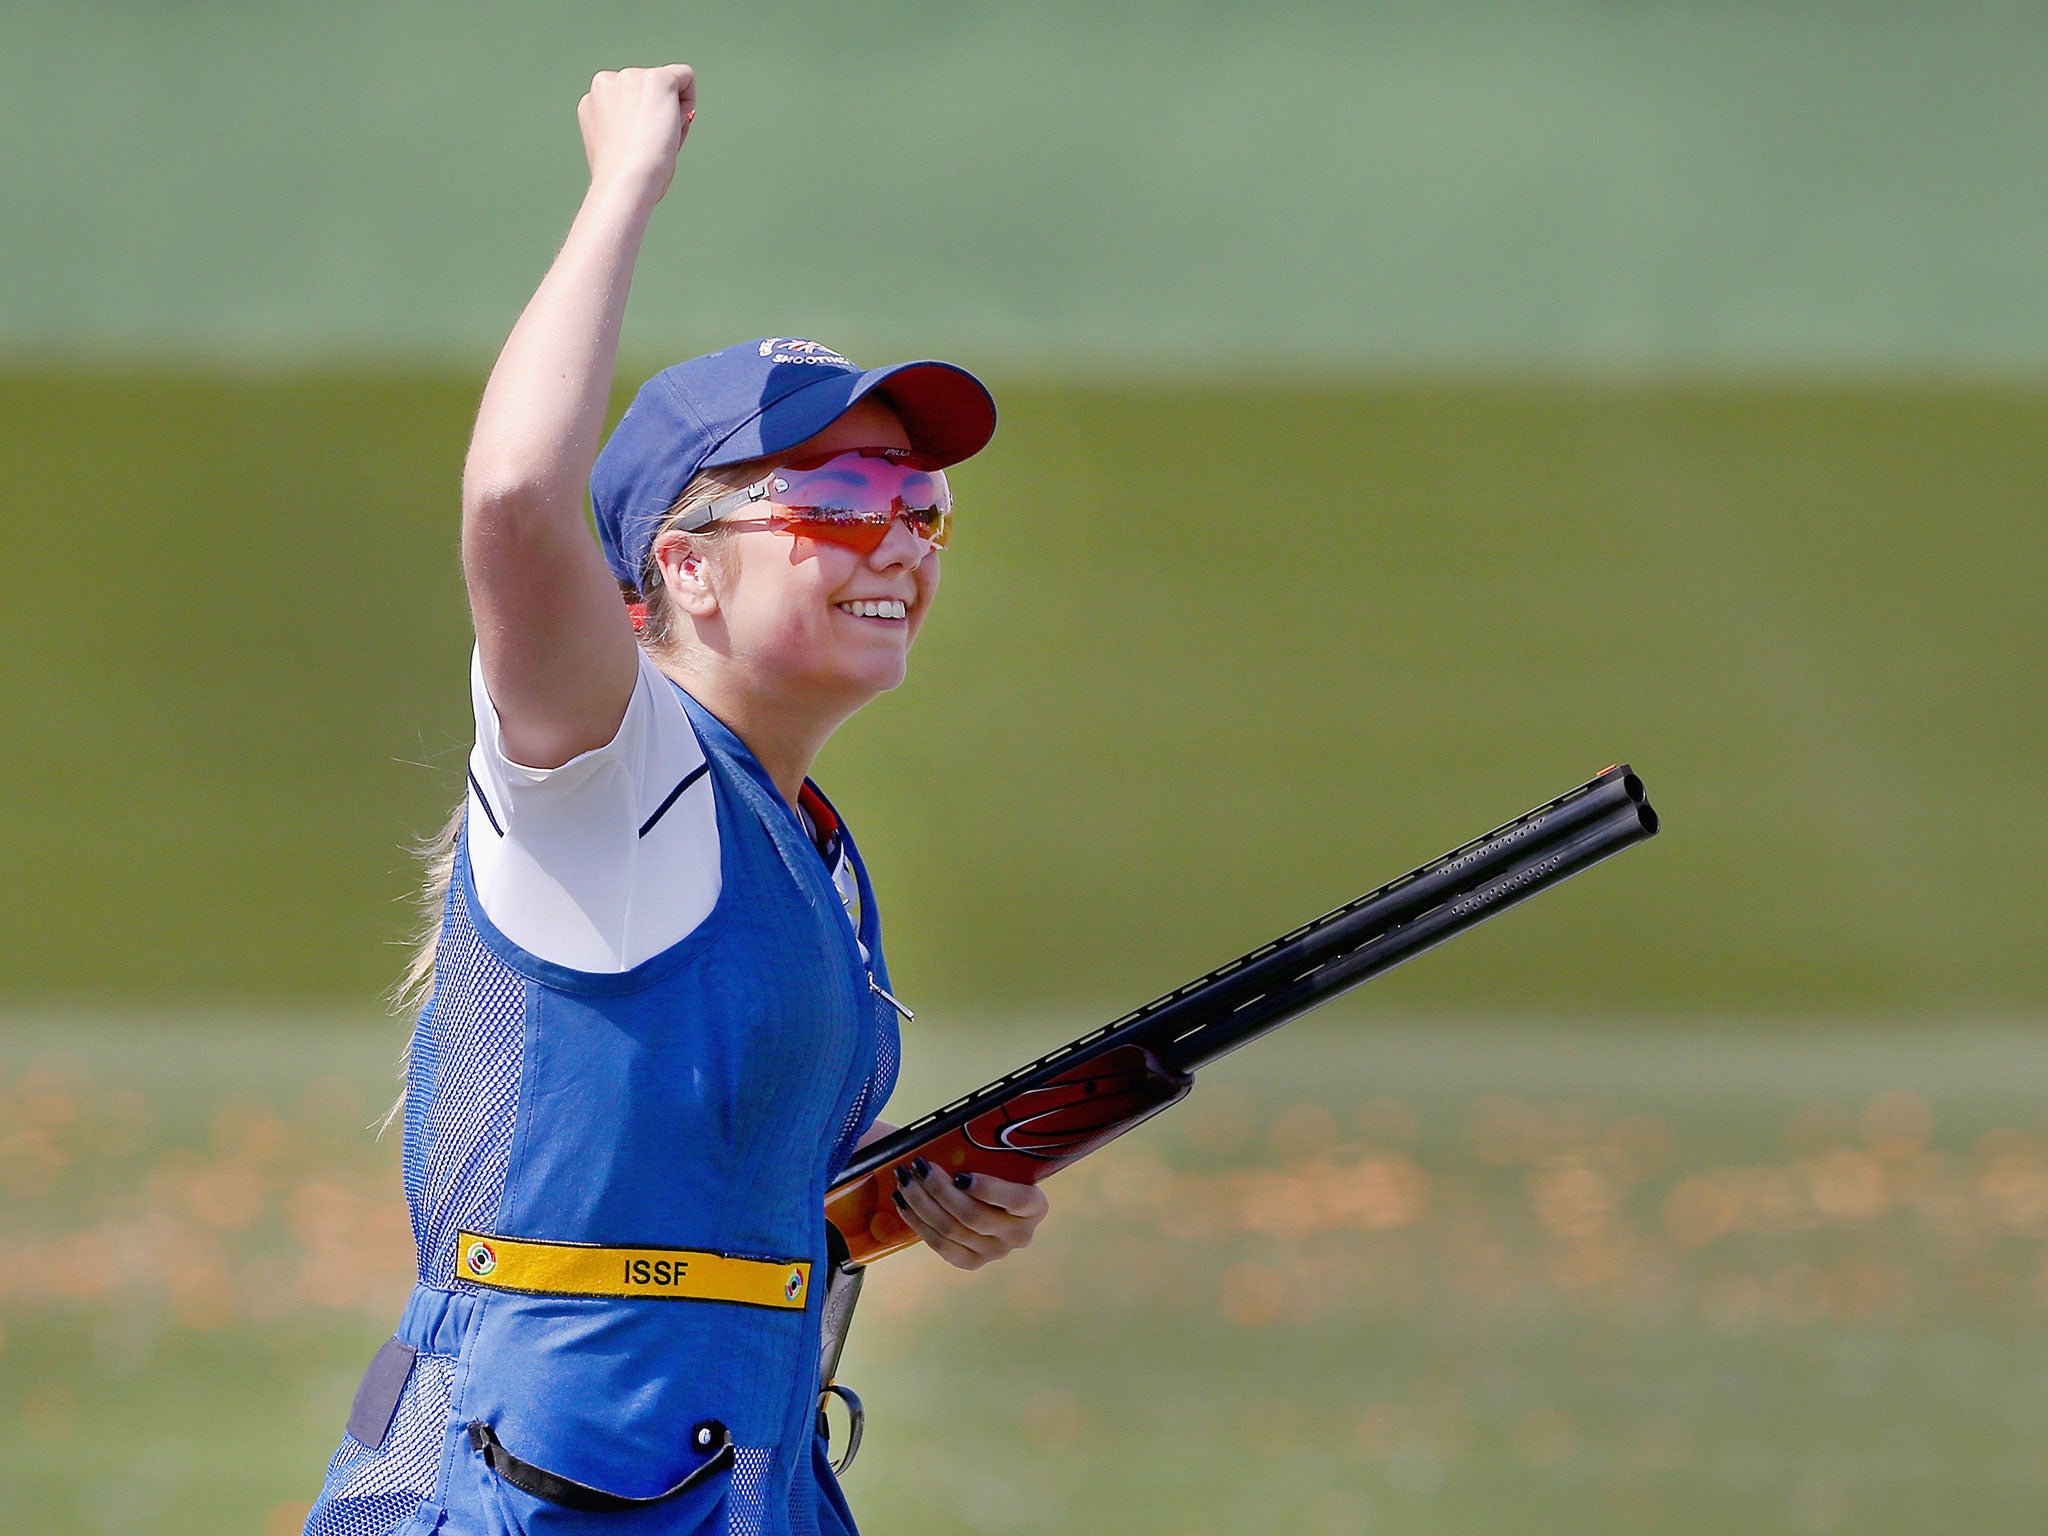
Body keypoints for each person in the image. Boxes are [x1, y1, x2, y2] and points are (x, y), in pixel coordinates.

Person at [303, 64, 1048, 1536]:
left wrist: (888, 1209)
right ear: (682, 569)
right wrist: (625, 177)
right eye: (835, 500)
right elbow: (520, 497)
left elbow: (673, 1193)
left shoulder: (811, 846)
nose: (895, 543)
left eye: (921, 510)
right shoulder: (618, 767)